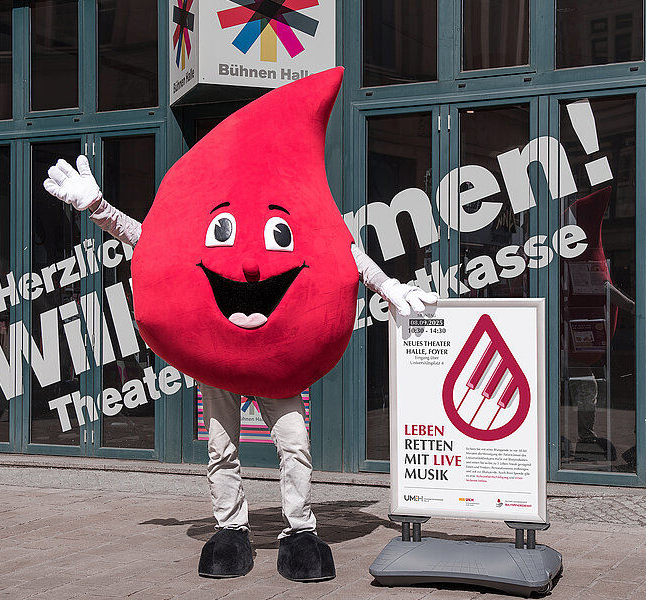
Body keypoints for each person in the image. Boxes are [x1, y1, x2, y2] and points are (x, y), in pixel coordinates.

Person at [43, 155, 437, 582]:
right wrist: (100, 208)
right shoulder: (214, 214)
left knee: (295, 444)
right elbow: (150, 240)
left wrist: (388, 285)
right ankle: (231, 528)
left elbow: (342, 253)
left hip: (274, 360)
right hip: (221, 359)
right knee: (221, 449)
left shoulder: (291, 207)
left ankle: (299, 531)